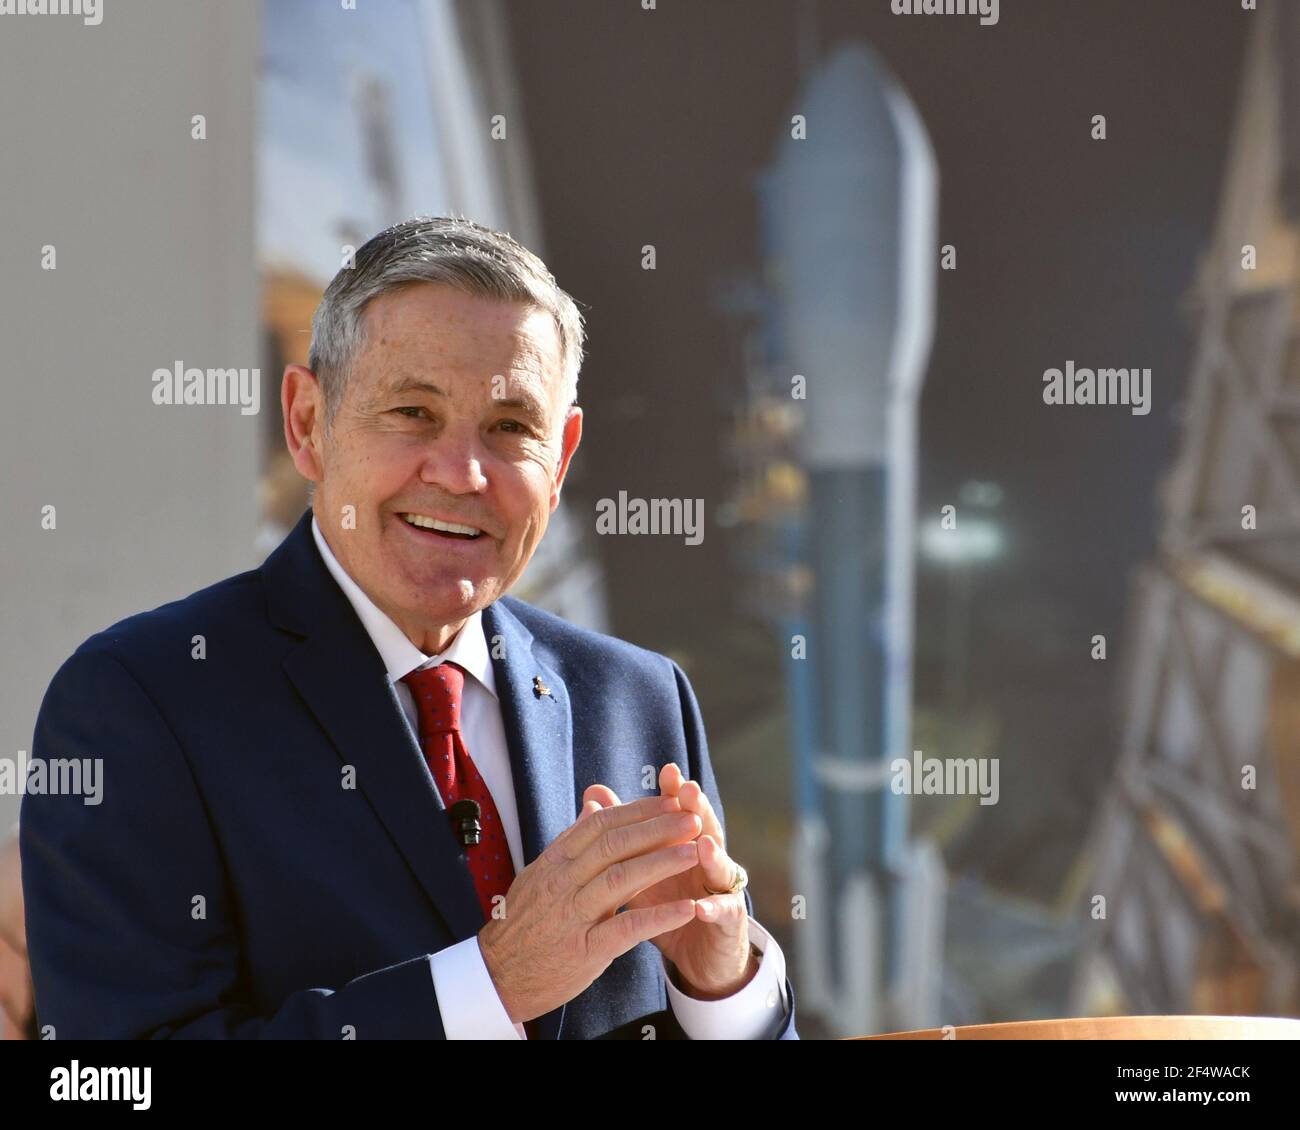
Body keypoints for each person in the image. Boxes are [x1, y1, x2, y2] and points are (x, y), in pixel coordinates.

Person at [19, 216, 797, 1039]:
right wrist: (488, 987)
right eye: (413, 413)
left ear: (562, 459)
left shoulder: (637, 698)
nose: (462, 474)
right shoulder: (140, 702)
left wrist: (722, 985)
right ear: (307, 424)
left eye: (510, 428)